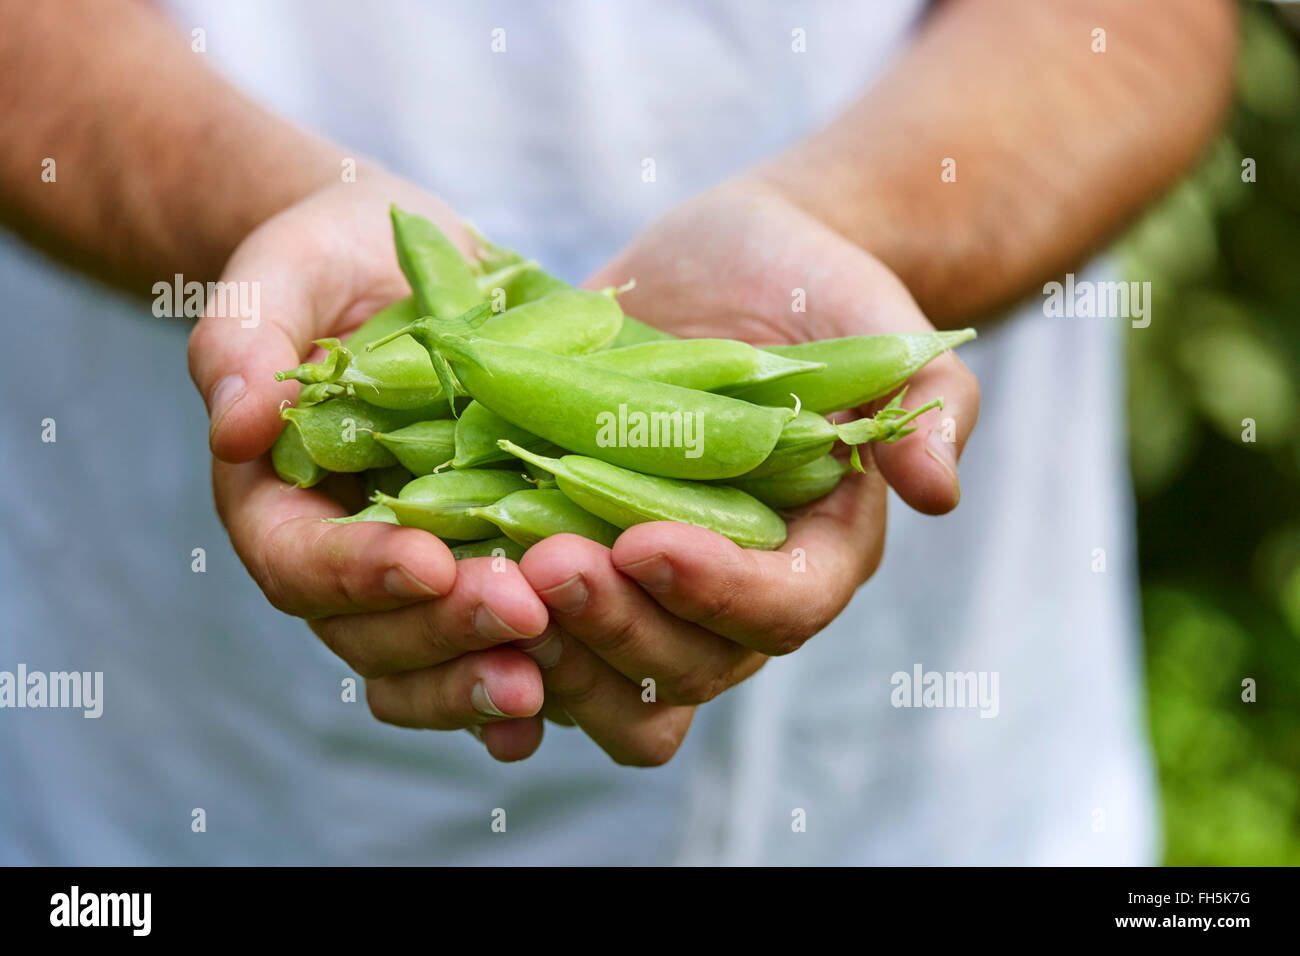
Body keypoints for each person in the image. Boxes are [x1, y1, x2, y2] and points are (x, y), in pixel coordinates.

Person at [0, 0, 1236, 864]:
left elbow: (1137, 23)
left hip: (938, 799)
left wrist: (859, 223)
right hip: (179, 787)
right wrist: (260, 208)